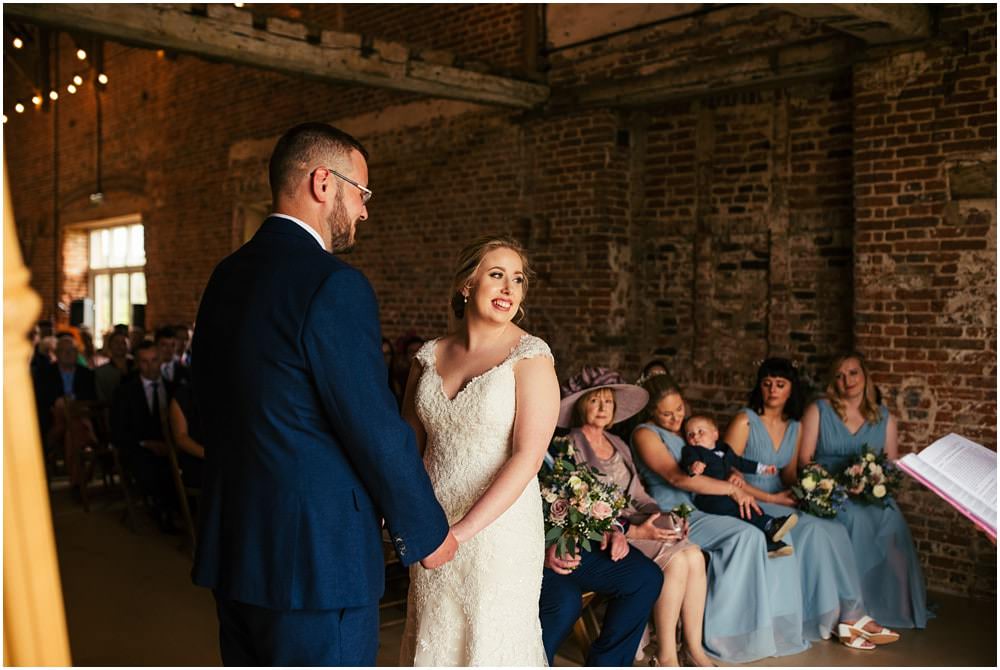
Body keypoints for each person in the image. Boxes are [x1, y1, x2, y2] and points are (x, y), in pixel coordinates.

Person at [191, 122, 455, 666]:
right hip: (316, 561)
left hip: (235, 546)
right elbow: (374, 428)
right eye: (362, 192)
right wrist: (426, 532)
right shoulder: (333, 284)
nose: (363, 211)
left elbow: (202, 412)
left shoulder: (226, 276)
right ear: (322, 182)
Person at [399, 235, 559, 666]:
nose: (509, 288)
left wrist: (462, 532)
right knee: (436, 635)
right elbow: (408, 447)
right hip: (433, 521)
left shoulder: (530, 357)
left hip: (498, 530)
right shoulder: (428, 358)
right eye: (496, 275)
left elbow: (527, 458)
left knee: (490, 639)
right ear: (466, 285)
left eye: (518, 279)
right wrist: (406, 514)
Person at [631, 374, 809, 663]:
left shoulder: (688, 433)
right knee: (744, 536)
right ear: (652, 412)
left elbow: (718, 466)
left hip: (702, 505)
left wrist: (734, 479)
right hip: (671, 512)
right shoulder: (645, 433)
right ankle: (720, 634)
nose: (676, 417)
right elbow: (677, 478)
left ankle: (754, 628)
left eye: (679, 409)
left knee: (764, 532)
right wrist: (730, 490)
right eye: (666, 413)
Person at [724, 356, 892, 649]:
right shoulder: (744, 420)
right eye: (766, 384)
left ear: (791, 389)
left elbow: (790, 475)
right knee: (815, 532)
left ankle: (847, 615)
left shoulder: (794, 428)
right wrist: (772, 498)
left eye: (780, 384)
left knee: (832, 527)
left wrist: (809, 496)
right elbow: (727, 473)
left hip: (781, 498)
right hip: (749, 501)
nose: (772, 390)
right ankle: (838, 617)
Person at [561, 367, 713, 667]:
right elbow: (578, 509)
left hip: (636, 520)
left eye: (608, 402)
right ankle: (667, 655)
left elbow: (640, 495)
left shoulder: (618, 443)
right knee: (676, 559)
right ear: (581, 405)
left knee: (693, 555)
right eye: (595, 401)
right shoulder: (570, 445)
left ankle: (693, 649)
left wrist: (661, 515)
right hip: (605, 533)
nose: (604, 408)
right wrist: (634, 529)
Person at [799, 351, 929, 632]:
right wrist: (830, 484)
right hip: (830, 492)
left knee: (893, 521)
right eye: (840, 375)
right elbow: (805, 460)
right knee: (855, 519)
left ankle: (896, 606)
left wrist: (873, 480)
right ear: (834, 381)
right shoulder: (819, 410)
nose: (848, 380)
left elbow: (891, 464)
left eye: (853, 373)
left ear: (865, 376)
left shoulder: (883, 417)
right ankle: (851, 611)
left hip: (870, 492)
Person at [538, 444, 663, 667]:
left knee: (645, 577)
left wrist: (613, 528)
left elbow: (588, 494)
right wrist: (539, 553)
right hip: (528, 552)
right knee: (564, 602)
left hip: (574, 542)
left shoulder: (558, 448)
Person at [680, 415, 796, 557]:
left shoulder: (724, 450)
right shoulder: (692, 451)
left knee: (750, 504)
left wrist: (763, 468)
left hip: (727, 493)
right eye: (690, 434)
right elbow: (689, 463)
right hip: (709, 498)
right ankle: (770, 524)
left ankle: (770, 543)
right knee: (741, 508)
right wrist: (694, 468)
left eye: (700, 432)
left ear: (715, 434)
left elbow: (741, 463)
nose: (695, 437)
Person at [111, 341, 177, 533]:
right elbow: (118, 431)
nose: (150, 366)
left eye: (154, 360)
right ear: (138, 363)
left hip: (172, 446)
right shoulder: (125, 392)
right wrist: (146, 443)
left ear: (161, 360)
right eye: (145, 362)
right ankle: (163, 511)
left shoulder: (173, 388)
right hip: (139, 448)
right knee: (152, 464)